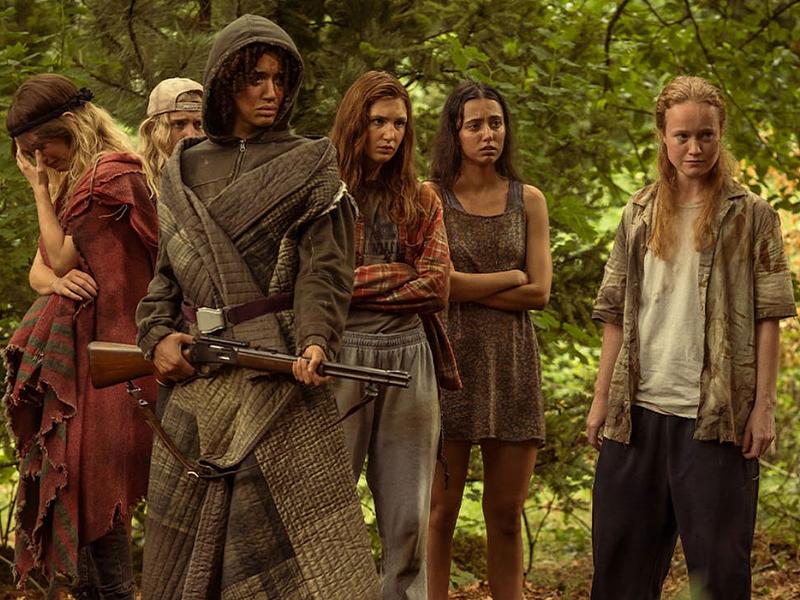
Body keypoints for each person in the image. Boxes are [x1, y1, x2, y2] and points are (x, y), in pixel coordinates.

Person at [134, 14, 380, 598]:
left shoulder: (310, 161)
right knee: (183, 550)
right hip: (196, 382)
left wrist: (317, 340)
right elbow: (166, 278)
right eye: (255, 79)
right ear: (226, 83)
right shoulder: (182, 168)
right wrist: (156, 338)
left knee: (282, 551)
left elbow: (325, 270)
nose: (271, 92)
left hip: (278, 374)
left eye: (279, 79)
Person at [586, 75, 796, 600]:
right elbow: (614, 313)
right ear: (663, 135)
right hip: (636, 416)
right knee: (619, 573)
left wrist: (763, 408)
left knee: (719, 575)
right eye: (682, 136)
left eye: (706, 135)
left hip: (717, 420)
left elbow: (771, 315)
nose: (694, 148)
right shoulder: (638, 213)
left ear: (721, 134)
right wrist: (601, 400)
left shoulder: (752, 216)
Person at [3, 74, 158, 598]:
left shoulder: (107, 179)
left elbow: (61, 256)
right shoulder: (82, 182)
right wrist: (58, 281)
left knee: (97, 489)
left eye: (38, 149)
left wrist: (39, 192)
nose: (38, 161)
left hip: (120, 357)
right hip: (92, 360)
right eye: (29, 155)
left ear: (68, 126)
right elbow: (43, 271)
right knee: (85, 493)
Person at [329, 70, 460, 599]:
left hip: (409, 355)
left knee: (408, 516)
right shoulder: (325, 194)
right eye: (378, 122)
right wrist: (398, 273)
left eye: (399, 124)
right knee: (330, 508)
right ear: (354, 124)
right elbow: (316, 285)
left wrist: (351, 285)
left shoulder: (421, 198)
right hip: (339, 354)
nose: (389, 134)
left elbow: (436, 286)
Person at [425, 81, 552, 600]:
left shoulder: (529, 201)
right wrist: (508, 278)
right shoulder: (430, 197)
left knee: (504, 515)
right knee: (439, 513)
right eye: (474, 125)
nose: (487, 134)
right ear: (455, 132)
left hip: (511, 368)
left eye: (495, 123)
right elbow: (437, 285)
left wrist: (470, 287)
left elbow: (539, 292)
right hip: (447, 366)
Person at [137, 77, 203, 197]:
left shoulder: (219, 174)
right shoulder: (136, 181)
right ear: (153, 129)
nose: (191, 134)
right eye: (179, 124)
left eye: (198, 124)